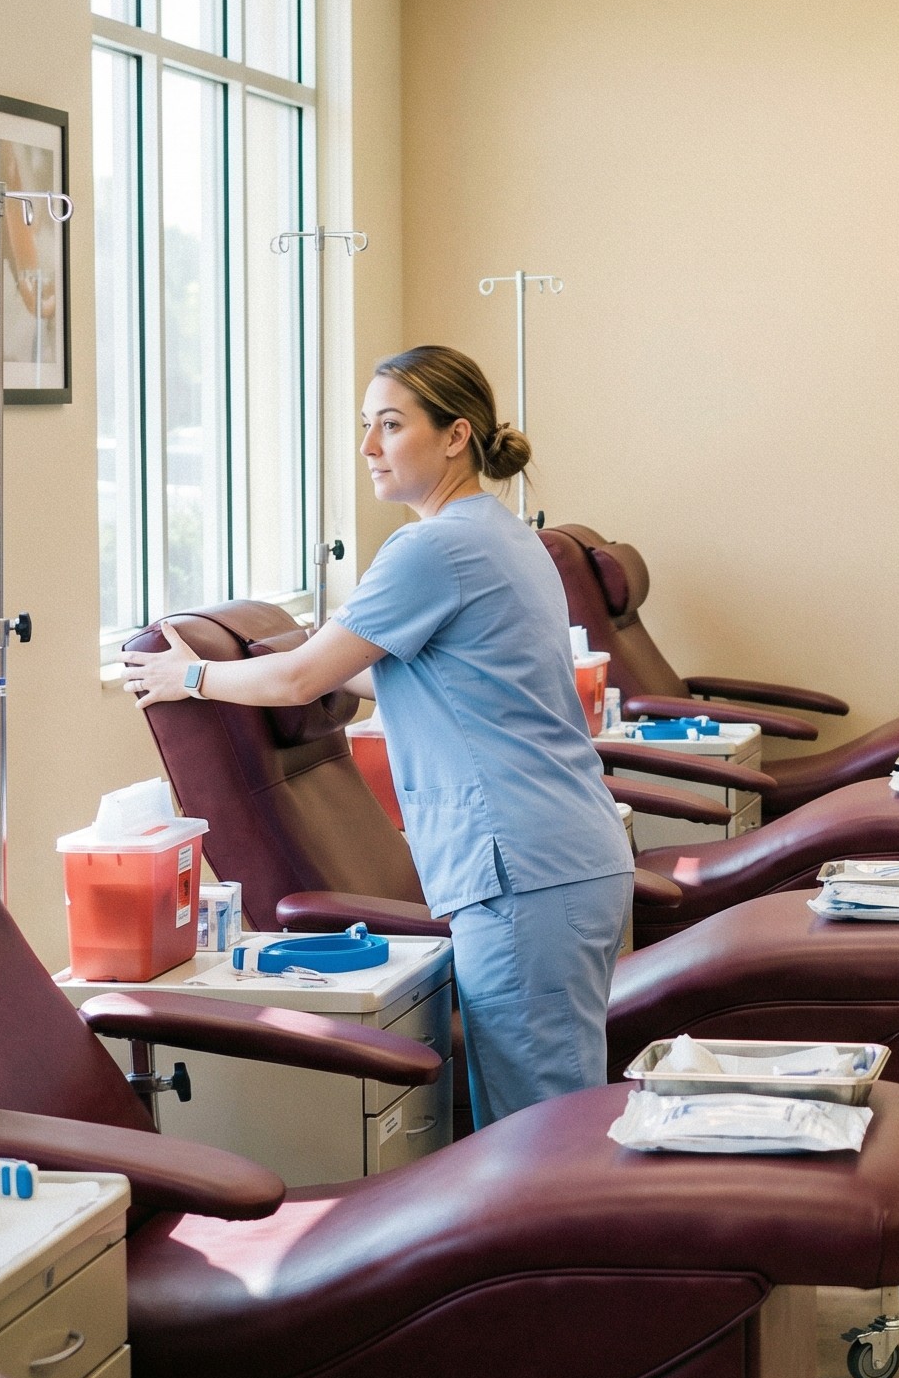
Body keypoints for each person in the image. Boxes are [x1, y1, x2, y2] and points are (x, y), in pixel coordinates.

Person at [123, 346, 634, 1128]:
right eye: (367, 427)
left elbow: (298, 683)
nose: (369, 448)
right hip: (568, 855)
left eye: (390, 426)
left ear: (456, 435)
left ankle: (584, 1253)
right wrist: (291, 657)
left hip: (523, 870)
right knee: (556, 1120)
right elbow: (412, 678)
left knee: (542, 1137)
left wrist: (186, 679)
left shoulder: (432, 548)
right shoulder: (502, 532)